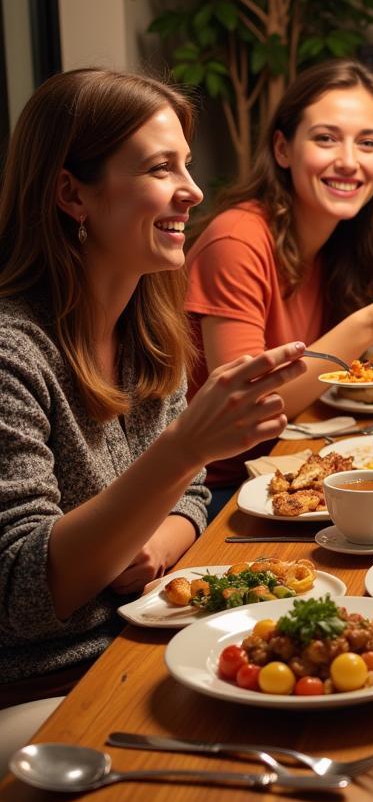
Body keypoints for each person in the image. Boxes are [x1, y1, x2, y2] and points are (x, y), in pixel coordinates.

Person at [0, 69, 305, 734]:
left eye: (186, 166)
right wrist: (182, 449)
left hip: (145, 641)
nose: (193, 191)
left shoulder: (144, 330)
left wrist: (158, 544)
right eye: (160, 170)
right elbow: (25, 595)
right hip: (47, 686)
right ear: (71, 194)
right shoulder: (11, 355)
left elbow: (190, 493)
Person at [186, 60, 373, 499]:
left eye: (368, 143)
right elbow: (246, 412)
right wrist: (368, 325)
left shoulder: (340, 241)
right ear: (283, 149)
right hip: (212, 492)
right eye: (326, 138)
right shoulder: (237, 238)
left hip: (284, 466)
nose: (349, 161)